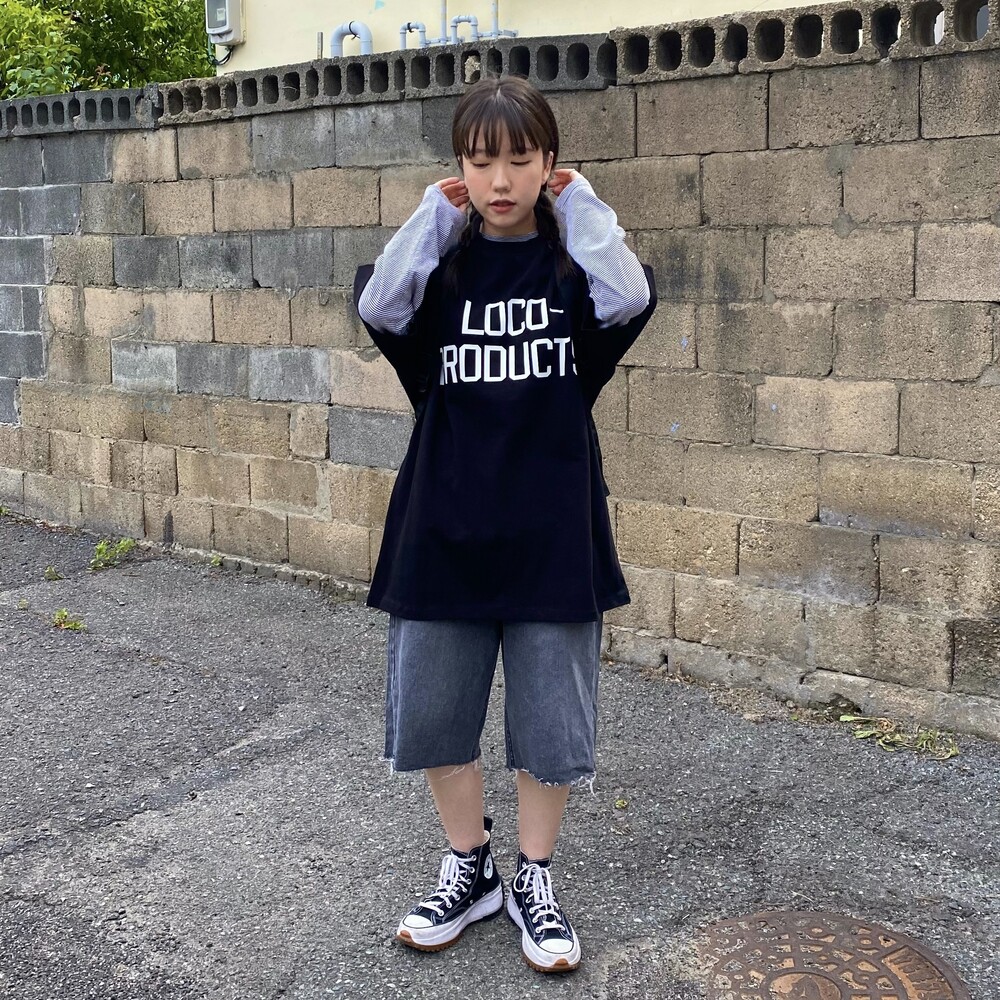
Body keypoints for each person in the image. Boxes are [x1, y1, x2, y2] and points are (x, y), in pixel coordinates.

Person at [353, 75, 657, 974]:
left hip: (552, 536)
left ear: (548, 163)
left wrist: (582, 203)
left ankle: (533, 879)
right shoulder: (440, 274)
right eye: (480, 161)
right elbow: (380, 306)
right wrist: (431, 215)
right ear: (459, 168)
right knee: (433, 718)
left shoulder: (574, 275)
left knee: (552, 730)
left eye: (520, 159)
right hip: (440, 531)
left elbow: (630, 296)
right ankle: (470, 867)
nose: (499, 179)